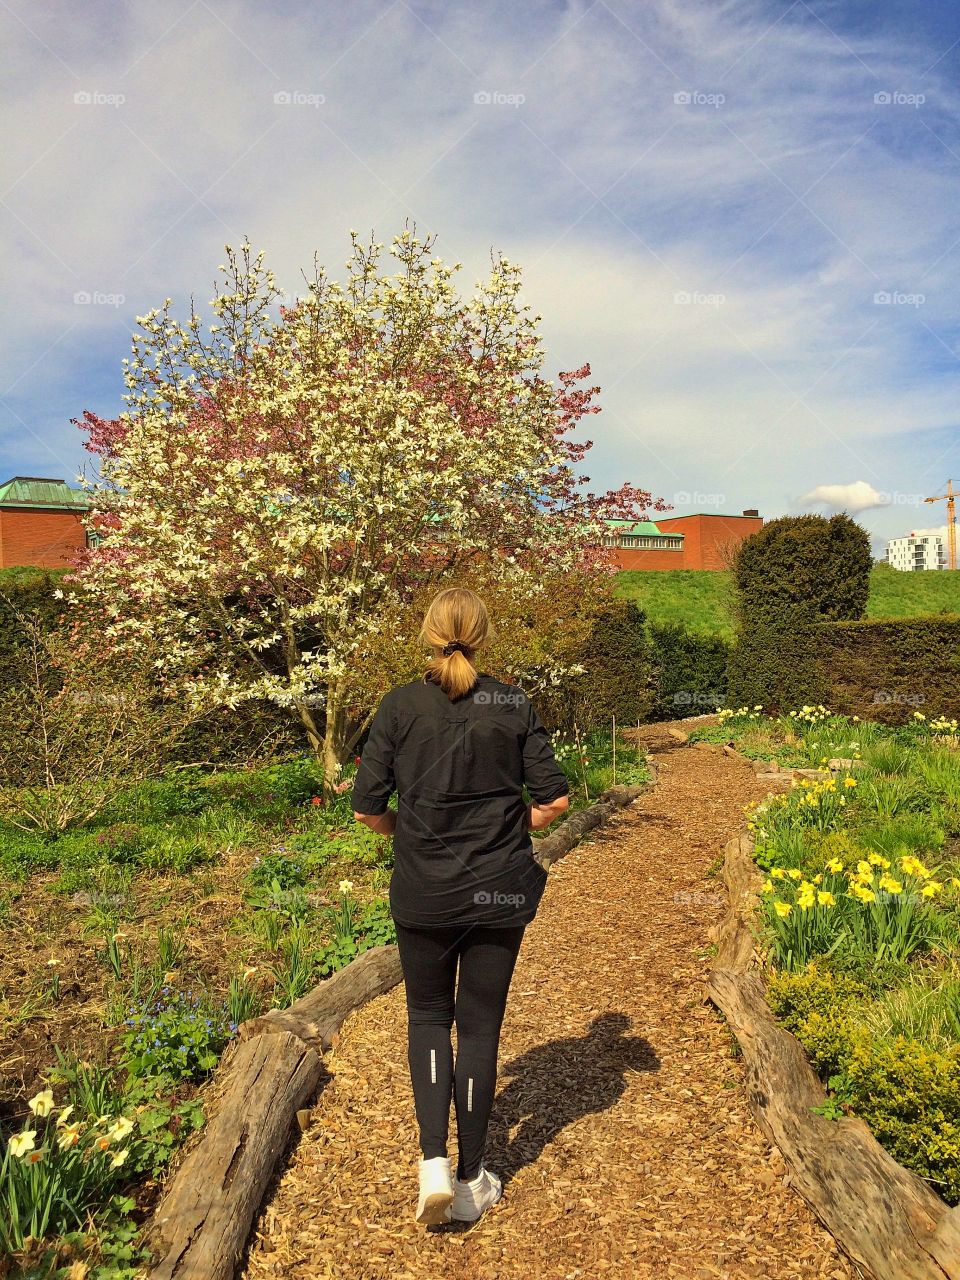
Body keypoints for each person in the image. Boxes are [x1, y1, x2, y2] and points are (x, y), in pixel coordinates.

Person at [351, 586, 570, 1226]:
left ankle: (431, 1166)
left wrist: (408, 832)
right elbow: (554, 800)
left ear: (427, 635)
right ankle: (473, 1179)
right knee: (478, 1028)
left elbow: (367, 808)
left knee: (426, 1017)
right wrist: (511, 829)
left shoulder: (398, 706)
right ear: (482, 634)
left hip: (422, 891)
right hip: (496, 890)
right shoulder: (512, 703)